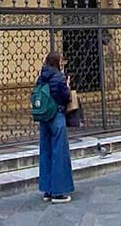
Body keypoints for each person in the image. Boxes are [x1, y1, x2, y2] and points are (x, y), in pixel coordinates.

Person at [36, 51, 74, 203]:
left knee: (46, 151)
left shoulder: (41, 76)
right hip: (56, 115)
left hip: (44, 116)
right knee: (59, 152)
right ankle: (58, 193)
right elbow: (65, 96)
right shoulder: (59, 76)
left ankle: (47, 190)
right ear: (57, 61)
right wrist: (67, 86)